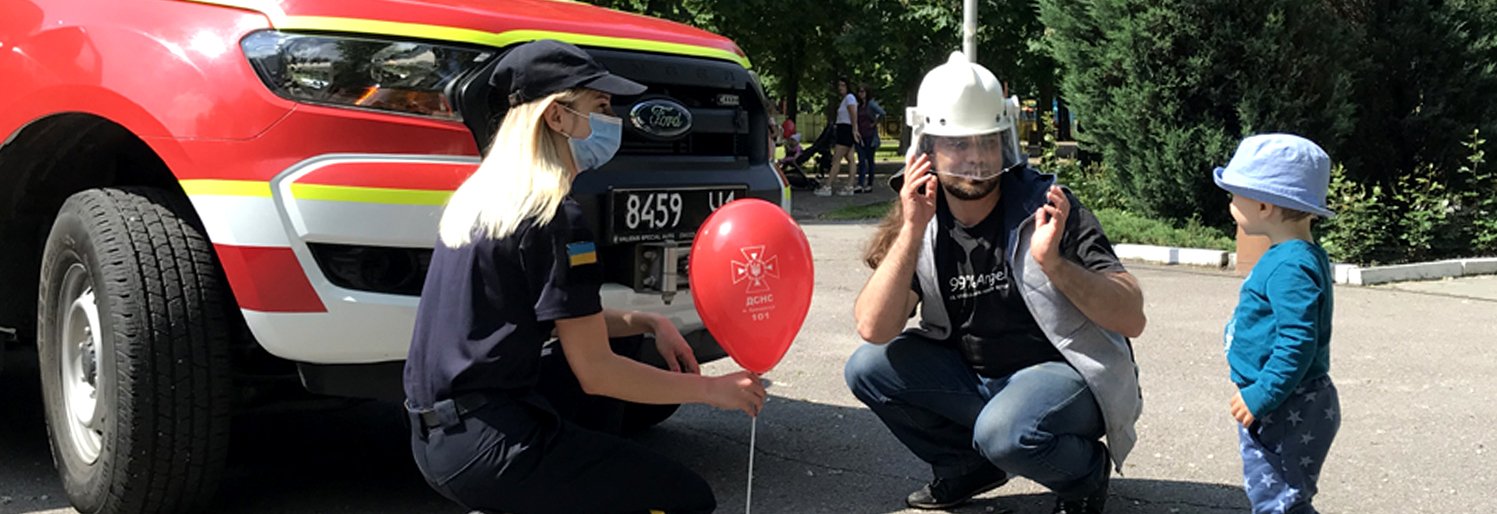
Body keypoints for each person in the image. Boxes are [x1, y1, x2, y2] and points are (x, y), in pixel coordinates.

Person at [402, 39, 766, 514]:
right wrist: (712, 391)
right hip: (489, 447)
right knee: (687, 499)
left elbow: (559, 314)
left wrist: (645, 321)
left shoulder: (485, 200)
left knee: (619, 348)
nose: (612, 119)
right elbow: (597, 372)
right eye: (600, 105)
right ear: (556, 116)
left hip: (437, 436)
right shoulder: (555, 215)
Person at [844, 51, 1145, 514]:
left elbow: (1131, 315)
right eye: (959, 145)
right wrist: (910, 228)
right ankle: (967, 466)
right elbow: (873, 327)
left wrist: (1055, 264)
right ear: (928, 151)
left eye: (987, 142)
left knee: (1003, 432)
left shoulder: (1047, 205)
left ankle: (1085, 473)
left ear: (1005, 140)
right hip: (980, 379)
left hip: (1066, 375)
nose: (976, 158)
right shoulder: (922, 216)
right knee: (868, 367)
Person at [1214, 134, 1339, 514]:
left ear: (1264, 205)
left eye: (1235, 195)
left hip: (1286, 404)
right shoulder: (1294, 256)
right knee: (1280, 498)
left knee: (1279, 502)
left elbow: (1297, 342)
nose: (1231, 203)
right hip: (1287, 400)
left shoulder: (1290, 267)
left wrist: (1262, 395)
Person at [817, 78, 860, 197]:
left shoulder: (850, 98)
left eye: (843, 85)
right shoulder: (846, 99)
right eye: (839, 85)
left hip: (845, 129)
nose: (840, 88)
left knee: (836, 159)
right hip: (844, 128)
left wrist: (854, 129)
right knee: (850, 158)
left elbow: (853, 113)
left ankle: (828, 186)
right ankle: (850, 186)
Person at [854, 84, 886, 193]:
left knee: (870, 160)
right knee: (861, 160)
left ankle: (869, 184)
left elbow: (882, 113)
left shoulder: (871, 104)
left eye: (863, 91)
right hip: (860, 135)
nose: (861, 94)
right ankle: (860, 183)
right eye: (859, 92)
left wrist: (874, 123)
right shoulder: (858, 106)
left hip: (870, 136)